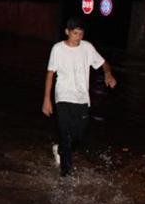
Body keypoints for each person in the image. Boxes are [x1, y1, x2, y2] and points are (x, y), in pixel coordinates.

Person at [42, 16, 117, 176]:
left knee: (79, 136)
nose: (78, 38)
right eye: (75, 34)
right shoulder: (58, 49)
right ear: (67, 32)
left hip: (82, 99)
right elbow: (50, 73)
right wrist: (47, 99)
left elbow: (103, 63)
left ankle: (60, 149)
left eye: (81, 34)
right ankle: (66, 176)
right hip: (62, 97)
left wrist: (108, 73)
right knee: (66, 134)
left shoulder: (87, 48)